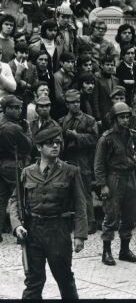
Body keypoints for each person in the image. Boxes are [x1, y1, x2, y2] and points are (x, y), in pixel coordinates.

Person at [9, 125, 88, 299]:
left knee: (64, 278)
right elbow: (15, 201)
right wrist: (17, 226)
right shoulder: (26, 173)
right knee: (34, 281)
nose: (55, 146)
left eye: (58, 143)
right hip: (33, 231)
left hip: (58, 230)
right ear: (39, 147)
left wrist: (80, 235)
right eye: (49, 143)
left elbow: (81, 205)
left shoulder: (71, 171)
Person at [94, 102, 136, 266]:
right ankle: (106, 251)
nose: (126, 120)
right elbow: (99, 164)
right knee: (111, 215)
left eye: (127, 117)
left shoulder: (132, 135)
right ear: (114, 119)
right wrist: (102, 185)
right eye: (122, 117)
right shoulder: (106, 139)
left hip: (130, 177)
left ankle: (124, 250)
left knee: (129, 215)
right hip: (114, 178)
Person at [59, 89, 100, 234]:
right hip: (67, 159)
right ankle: (70, 222)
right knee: (66, 191)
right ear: (67, 104)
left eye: (77, 102)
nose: (75, 105)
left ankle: (91, 222)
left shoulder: (89, 120)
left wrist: (77, 137)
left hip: (83, 160)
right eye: (72, 103)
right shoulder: (62, 121)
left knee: (85, 192)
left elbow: (95, 139)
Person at [0, 94, 31, 240]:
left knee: (1, 199)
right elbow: (28, 146)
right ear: (6, 109)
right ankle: (20, 232)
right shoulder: (14, 128)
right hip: (13, 164)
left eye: (20, 107)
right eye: (15, 108)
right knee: (19, 198)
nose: (19, 110)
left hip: (1, 164)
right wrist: (26, 130)